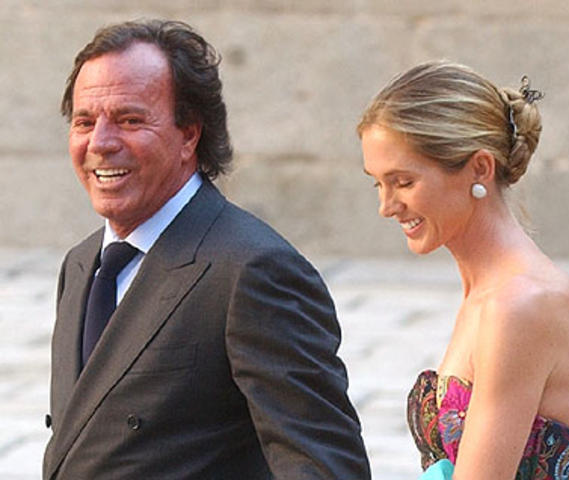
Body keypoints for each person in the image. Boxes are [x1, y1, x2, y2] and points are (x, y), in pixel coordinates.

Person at [43, 19, 371, 480]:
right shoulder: (81, 265)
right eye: (84, 122)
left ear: (189, 135)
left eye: (130, 120)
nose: (100, 143)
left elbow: (324, 466)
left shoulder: (253, 270)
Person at [358, 61, 569, 479]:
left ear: (480, 168)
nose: (386, 206)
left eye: (404, 182)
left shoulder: (519, 304)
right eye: (378, 183)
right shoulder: (492, 291)